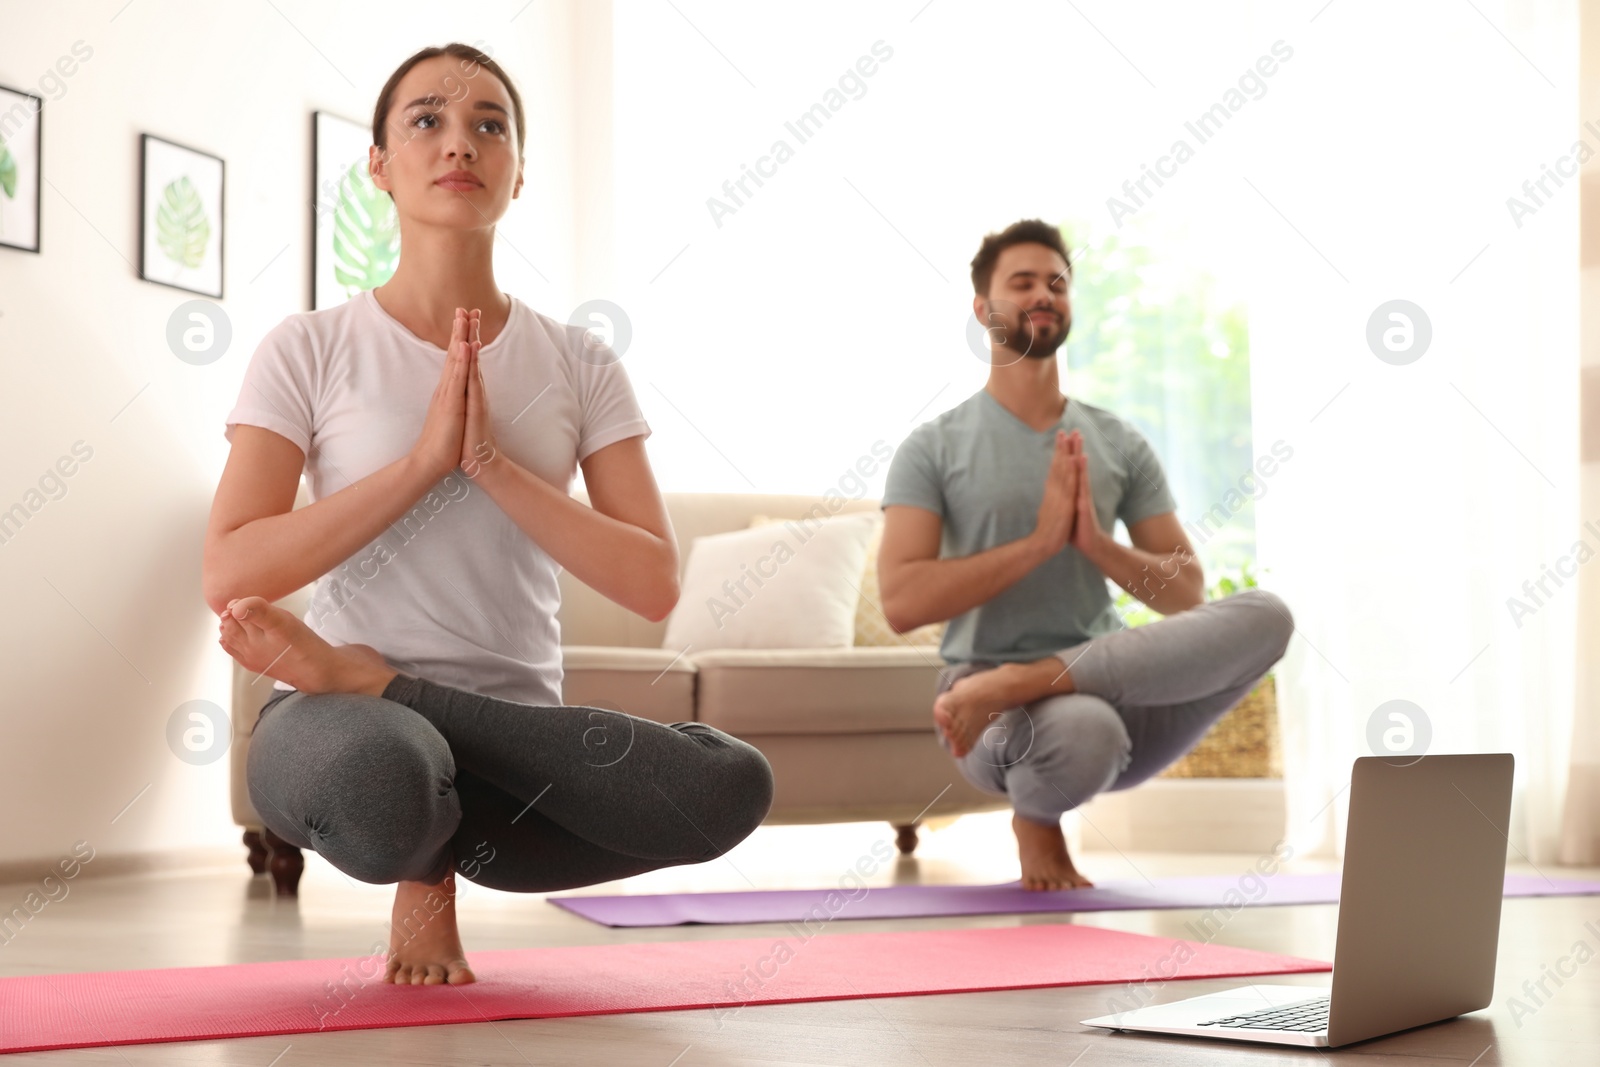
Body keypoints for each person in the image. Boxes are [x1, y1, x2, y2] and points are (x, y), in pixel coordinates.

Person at [203, 43, 773, 987]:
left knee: (729, 784)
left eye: (489, 124)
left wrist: (490, 465)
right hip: (335, 719)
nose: (459, 141)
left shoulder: (580, 361)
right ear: (380, 165)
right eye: (426, 119)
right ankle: (385, 732)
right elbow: (230, 572)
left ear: (517, 169)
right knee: (389, 785)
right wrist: (423, 465)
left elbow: (649, 578)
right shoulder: (309, 347)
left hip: (515, 746)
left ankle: (392, 695)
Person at [876, 219, 1293, 891]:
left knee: (1268, 615)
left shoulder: (1117, 440)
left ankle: (1028, 678)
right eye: (1023, 282)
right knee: (1083, 729)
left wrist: (1096, 544)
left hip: (1112, 685)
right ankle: (1033, 814)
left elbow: (1185, 592)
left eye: (1058, 283)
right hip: (987, 705)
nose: (1045, 293)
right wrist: (1036, 544)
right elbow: (901, 603)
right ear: (983, 308)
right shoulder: (933, 447)